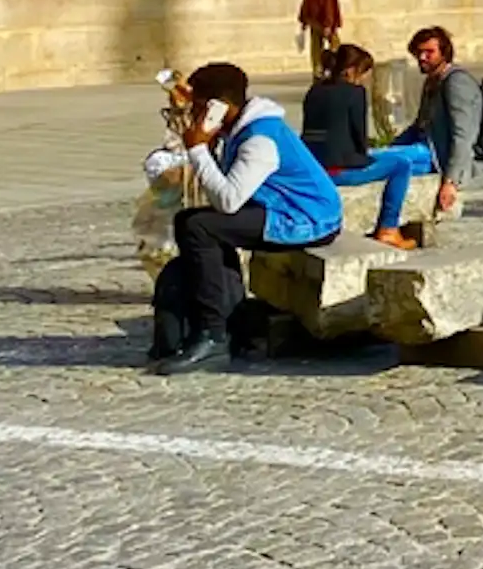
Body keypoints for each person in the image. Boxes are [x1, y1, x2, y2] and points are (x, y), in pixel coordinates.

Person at [144, 63, 343, 373]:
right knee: (192, 221)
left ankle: (213, 335)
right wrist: (207, 149)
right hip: (282, 209)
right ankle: (230, 320)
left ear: (218, 107)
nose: (193, 114)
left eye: (198, 106)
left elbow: (227, 200)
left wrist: (197, 149)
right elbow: (223, 196)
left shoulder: (259, 139)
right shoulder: (240, 131)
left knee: (200, 227)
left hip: (305, 219)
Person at [298, 43, 429, 249]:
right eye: (365, 73)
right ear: (352, 71)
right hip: (340, 169)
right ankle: (389, 228)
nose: (367, 79)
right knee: (401, 164)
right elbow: (359, 138)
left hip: (316, 167)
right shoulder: (355, 92)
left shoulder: (315, 91)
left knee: (391, 157)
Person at [402, 27, 483, 218]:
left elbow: (463, 135)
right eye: (419, 52)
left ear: (444, 53)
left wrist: (451, 181)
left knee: (393, 162)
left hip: (435, 157)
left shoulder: (456, 83)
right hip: (423, 149)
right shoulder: (432, 81)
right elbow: (419, 125)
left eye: (429, 52)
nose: (422, 57)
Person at [297, 0, 342, 78]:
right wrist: (328, 25)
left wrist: (304, 21)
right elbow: (328, 9)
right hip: (325, 24)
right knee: (336, 45)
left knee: (316, 48)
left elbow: (306, 4)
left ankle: (317, 69)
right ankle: (334, 67)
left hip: (314, 23)